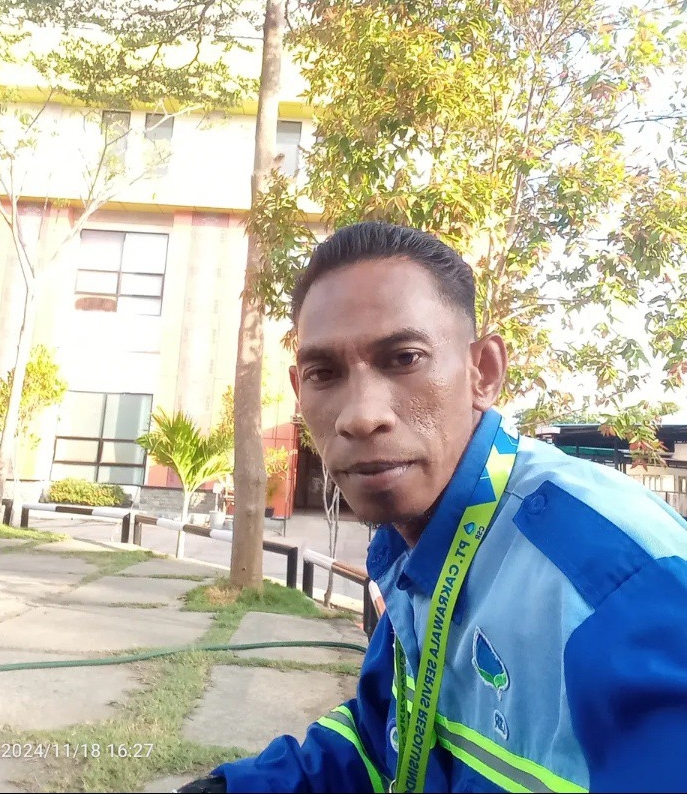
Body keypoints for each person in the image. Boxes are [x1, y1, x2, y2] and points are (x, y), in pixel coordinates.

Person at [179, 221, 687, 794]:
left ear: (483, 373)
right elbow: (385, 742)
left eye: (404, 358)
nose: (360, 416)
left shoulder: (615, 581)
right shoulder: (412, 543)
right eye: (324, 374)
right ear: (300, 390)